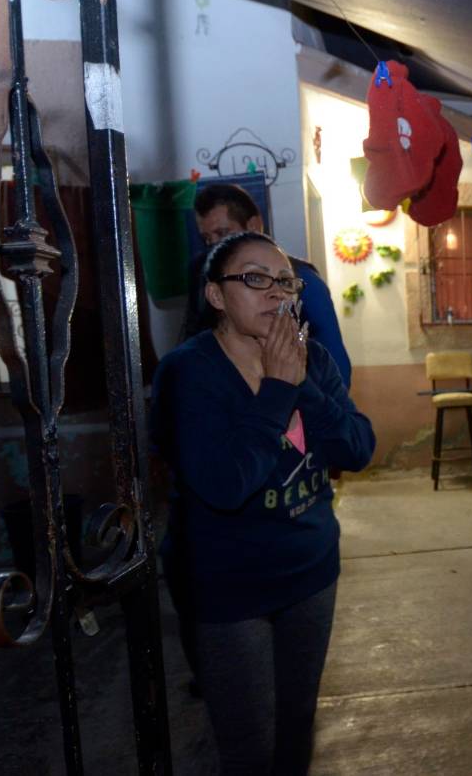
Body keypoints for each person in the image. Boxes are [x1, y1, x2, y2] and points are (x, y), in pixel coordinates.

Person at [151, 231, 375, 774]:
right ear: (216, 296)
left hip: (311, 574)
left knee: (298, 723)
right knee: (248, 744)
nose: (275, 292)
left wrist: (303, 384)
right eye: (254, 278)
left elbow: (358, 447)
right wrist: (278, 388)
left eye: (284, 281)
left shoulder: (310, 357)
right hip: (231, 587)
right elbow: (225, 485)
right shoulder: (189, 373)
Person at [184, 183, 352, 387]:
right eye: (207, 239)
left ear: (254, 225)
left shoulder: (303, 278)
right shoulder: (203, 277)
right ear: (215, 295)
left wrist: (315, 401)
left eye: (223, 233)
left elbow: (336, 363)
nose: (215, 247)